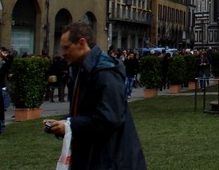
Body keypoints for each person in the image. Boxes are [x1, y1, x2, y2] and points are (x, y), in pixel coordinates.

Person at [44, 22, 147, 170]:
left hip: (109, 160)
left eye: (66, 47)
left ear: (82, 43)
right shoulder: (84, 69)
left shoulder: (104, 72)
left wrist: (70, 125)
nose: (62, 52)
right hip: (97, 157)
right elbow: (88, 111)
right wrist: (64, 122)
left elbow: (109, 118)